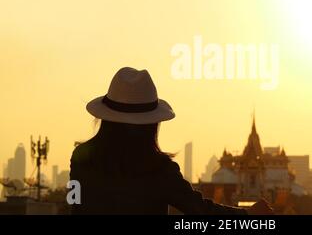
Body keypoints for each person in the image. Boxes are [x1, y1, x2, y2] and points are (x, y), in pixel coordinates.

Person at [70, 67, 273, 215]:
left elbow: (76, 205)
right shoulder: (158, 169)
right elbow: (200, 211)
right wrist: (248, 216)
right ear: (151, 125)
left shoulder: (81, 158)